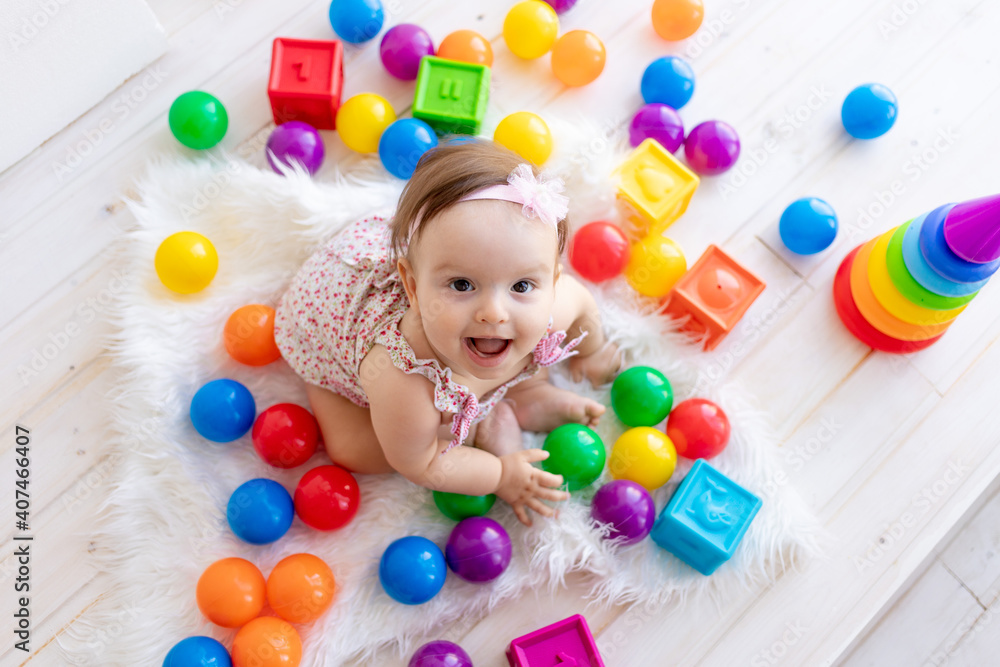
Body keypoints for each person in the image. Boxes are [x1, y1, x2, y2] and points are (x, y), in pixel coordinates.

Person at [275, 140, 621, 525]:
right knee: (358, 451)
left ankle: (522, 394)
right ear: (412, 287)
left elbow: (584, 306)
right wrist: (499, 474)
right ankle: (493, 408)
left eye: (522, 286)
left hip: (437, 274)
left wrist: (592, 352)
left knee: (502, 349)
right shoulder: (400, 377)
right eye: (461, 285)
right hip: (325, 318)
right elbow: (420, 461)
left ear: (552, 283)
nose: (493, 312)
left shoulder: (554, 304)